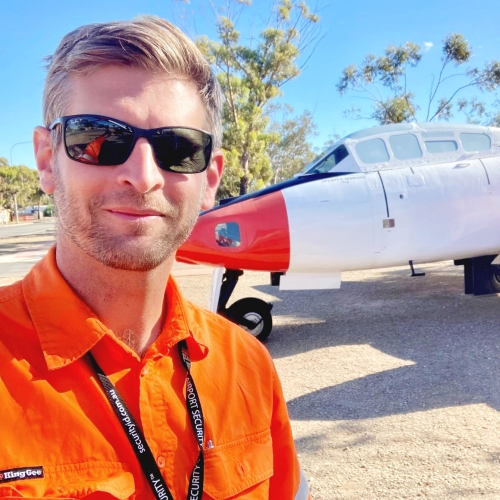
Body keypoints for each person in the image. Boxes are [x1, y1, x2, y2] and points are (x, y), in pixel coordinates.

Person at [0, 16, 310, 500]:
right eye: (98, 138)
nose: (143, 177)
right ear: (46, 159)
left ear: (209, 179)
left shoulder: (247, 365)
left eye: (178, 147)